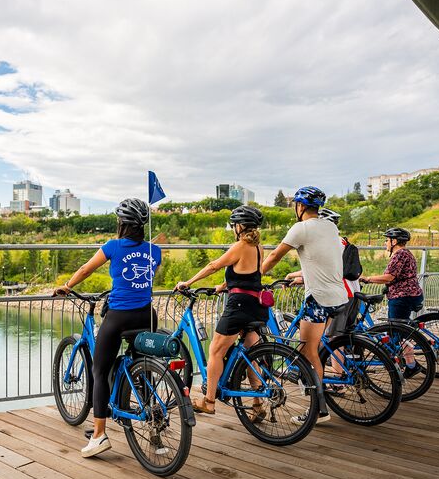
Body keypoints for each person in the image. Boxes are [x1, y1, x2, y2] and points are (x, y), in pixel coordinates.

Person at [53, 198, 161, 458]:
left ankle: (99, 435)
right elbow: (139, 279)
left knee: (99, 371)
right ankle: (154, 426)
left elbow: (85, 269)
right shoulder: (155, 250)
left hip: (120, 317)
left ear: (121, 223)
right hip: (147, 316)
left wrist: (67, 286)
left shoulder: (112, 246)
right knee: (142, 365)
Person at [262, 186, 348, 425]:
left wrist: (253, 276)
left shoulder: (301, 228)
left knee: (307, 351)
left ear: (299, 207)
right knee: (311, 347)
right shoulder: (330, 226)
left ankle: (319, 410)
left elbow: (274, 256)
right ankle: (308, 382)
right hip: (339, 296)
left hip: (319, 297)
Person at [174, 206, 269, 420]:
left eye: (234, 224)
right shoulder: (258, 247)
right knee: (251, 356)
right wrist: (224, 285)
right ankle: (257, 404)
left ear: (240, 226)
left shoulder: (240, 245)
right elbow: (250, 274)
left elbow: (214, 264)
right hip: (256, 305)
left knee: (215, 350)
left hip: (239, 306)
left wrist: (188, 282)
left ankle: (208, 401)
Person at [360, 228, 424, 377]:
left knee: (397, 334)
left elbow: (389, 277)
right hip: (411, 294)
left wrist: (367, 278)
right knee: (401, 331)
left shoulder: (399, 255)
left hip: (402, 297)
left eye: (387, 240)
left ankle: (411, 365)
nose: (385, 243)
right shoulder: (406, 253)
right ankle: (410, 359)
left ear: (394, 241)